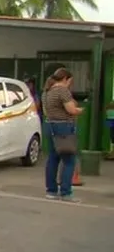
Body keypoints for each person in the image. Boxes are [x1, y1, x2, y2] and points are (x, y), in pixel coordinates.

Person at [41, 67, 82, 202]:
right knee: (69, 160)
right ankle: (66, 192)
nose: (70, 84)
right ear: (65, 79)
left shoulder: (46, 92)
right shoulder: (63, 91)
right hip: (64, 127)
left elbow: (46, 112)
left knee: (53, 158)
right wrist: (79, 110)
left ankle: (51, 191)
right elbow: (71, 109)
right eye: (70, 81)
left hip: (50, 125)